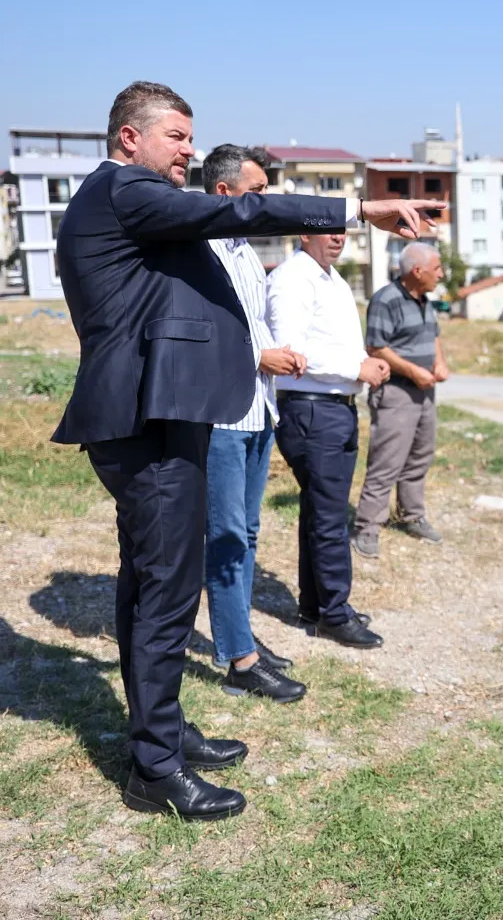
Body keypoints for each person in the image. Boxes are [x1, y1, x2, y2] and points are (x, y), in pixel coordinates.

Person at [52, 81, 435, 821]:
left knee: (151, 585)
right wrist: (358, 208)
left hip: (163, 417)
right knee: (166, 591)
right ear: (130, 139)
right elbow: (239, 209)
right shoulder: (125, 192)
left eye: (192, 139)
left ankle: (158, 732)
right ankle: (155, 772)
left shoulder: (131, 204)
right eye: (177, 138)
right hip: (146, 422)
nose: (189, 152)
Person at [200, 144, 307, 705]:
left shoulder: (244, 251)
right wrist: (255, 358)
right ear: (225, 193)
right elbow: (201, 341)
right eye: (258, 191)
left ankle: (243, 639)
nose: (265, 201)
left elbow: (252, 325)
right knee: (224, 537)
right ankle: (240, 659)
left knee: (247, 534)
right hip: (221, 417)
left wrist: (277, 354)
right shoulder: (200, 251)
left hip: (259, 409)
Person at [266, 233, 391, 650]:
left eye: (343, 230)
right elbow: (290, 351)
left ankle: (315, 605)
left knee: (320, 511)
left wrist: (360, 368)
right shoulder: (291, 278)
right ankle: (334, 614)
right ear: (305, 233)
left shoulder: (331, 278)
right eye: (328, 229)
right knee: (330, 518)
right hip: (312, 409)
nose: (338, 238)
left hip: (333, 408)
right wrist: (356, 367)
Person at [352, 242, 451, 558]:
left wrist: (439, 363)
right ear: (417, 271)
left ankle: (412, 515)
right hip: (396, 391)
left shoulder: (425, 299)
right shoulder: (386, 300)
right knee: (386, 462)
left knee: (420, 456)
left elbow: (433, 335)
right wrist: (413, 372)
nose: (442, 274)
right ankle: (367, 527)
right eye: (437, 268)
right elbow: (376, 348)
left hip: (425, 390)